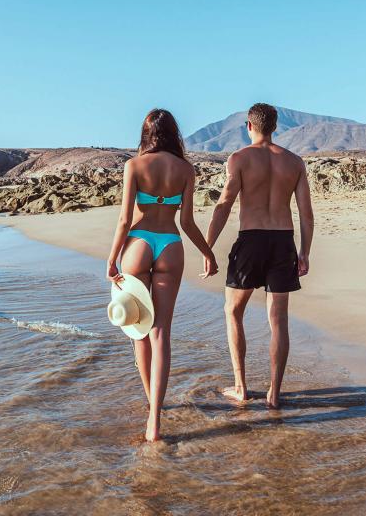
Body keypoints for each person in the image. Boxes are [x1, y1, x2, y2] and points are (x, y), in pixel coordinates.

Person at [106, 108, 218, 441]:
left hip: (138, 244)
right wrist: (208, 253)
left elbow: (124, 220)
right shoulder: (185, 169)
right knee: (161, 333)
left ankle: (150, 403)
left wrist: (111, 259)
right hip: (170, 245)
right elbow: (187, 222)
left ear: (146, 134)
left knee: (139, 331)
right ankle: (155, 418)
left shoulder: (134, 166)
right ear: (173, 133)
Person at [206, 103, 314, 408]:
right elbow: (306, 214)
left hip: (251, 241)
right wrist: (304, 252)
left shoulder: (239, 158)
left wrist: (207, 247)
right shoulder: (294, 162)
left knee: (232, 311)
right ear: (275, 127)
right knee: (278, 321)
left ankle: (241, 387)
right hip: (283, 241)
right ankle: (274, 395)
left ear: (249, 126)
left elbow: (224, 205)